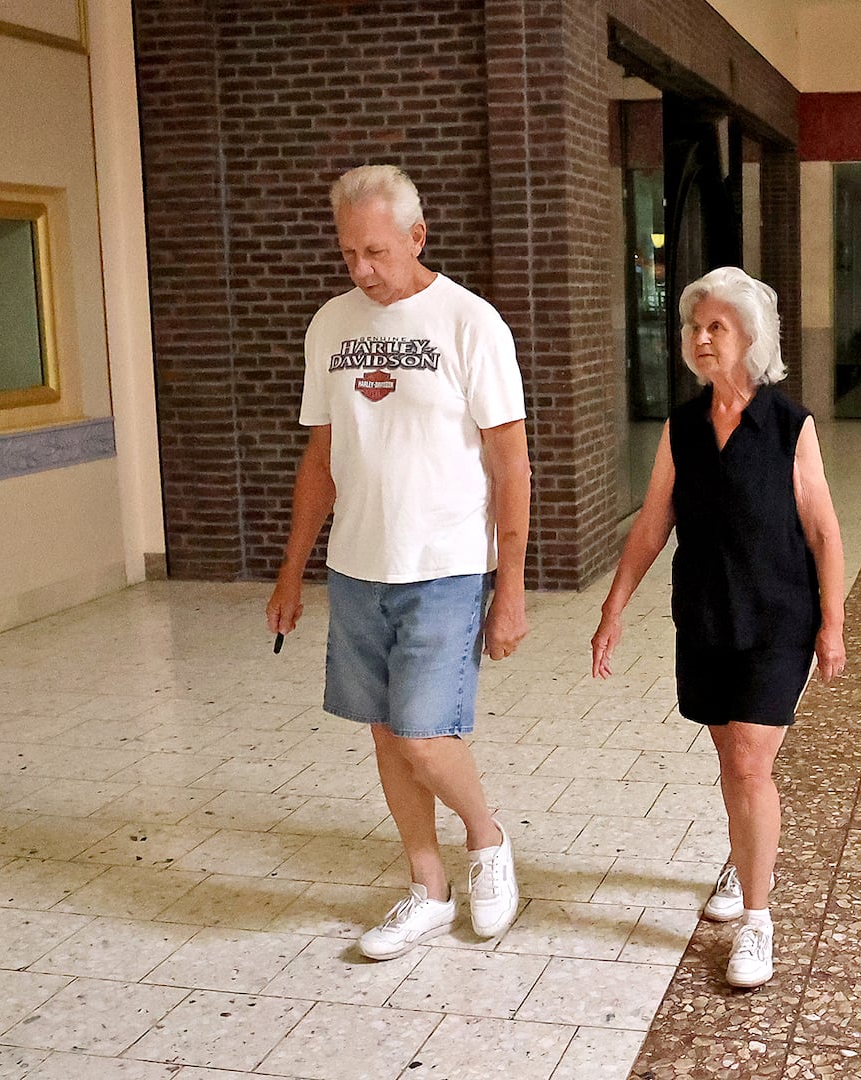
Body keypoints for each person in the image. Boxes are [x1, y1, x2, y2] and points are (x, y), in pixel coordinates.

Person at [266, 164, 530, 959]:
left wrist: (510, 588)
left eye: (376, 252)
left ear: (417, 237)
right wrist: (291, 571)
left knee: (423, 734)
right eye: (349, 253)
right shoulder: (330, 326)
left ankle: (487, 843)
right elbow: (322, 459)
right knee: (385, 734)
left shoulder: (470, 323)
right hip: (357, 566)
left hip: (446, 565)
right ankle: (428, 889)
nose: (361, 270)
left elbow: (511, 464)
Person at [591, 266, 846, 988]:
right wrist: (613, 608)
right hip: (704, 614)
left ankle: (757, 922)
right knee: (731, 757)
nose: (700, 339)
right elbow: (651, 525)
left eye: (716, 328)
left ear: (749, 338)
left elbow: (824, 531)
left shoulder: (790, 426)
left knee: (747, 762)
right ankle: (744, 856)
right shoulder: (682, 427)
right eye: (692, 328)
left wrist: (833, 623)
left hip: (778, 617)